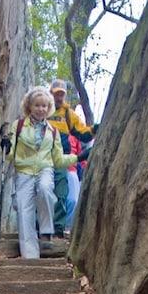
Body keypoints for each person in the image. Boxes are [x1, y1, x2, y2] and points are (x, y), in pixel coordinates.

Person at [0, 87, 89, 259]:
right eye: (37, 105)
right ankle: (31, 259)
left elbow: (58, 160)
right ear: (29, 107)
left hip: (44, 169)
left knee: (45, 189)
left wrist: (78, 158)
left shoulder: (53, 131)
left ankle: (46, 231)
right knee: (24, 211)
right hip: (24, 171)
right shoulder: (18, 126)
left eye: (44, 106)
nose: (41, 109)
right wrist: (6, 145)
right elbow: (10, 155)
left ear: (48, 108)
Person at [48, 80, 98, 238]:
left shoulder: (68, 114)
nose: (58, 97)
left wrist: (94, 129)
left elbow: (81, 131)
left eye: (61, 94)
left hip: (60, 159)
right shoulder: (42, 108)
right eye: (56, 94)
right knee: (43, 191)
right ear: (50, 93)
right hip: (40, 158)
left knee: (61, 192)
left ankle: (58, 228)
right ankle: (40, 227)